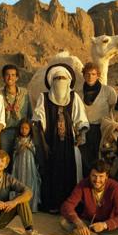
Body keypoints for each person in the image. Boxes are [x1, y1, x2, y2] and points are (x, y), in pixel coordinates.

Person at [33, 63, 89, 213]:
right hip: (50, 142)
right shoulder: (43, 97)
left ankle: (70, 206)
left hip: (70, 143)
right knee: (52, 172)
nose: (60, 81)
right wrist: (39, 127)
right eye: (57, 78)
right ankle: (53, 205)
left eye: (63, 78)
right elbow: (39, 118)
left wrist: (81, 132)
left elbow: (80, 118)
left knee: (71, 172)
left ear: (69, 80)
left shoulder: (74, 97)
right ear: (52, 80)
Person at [60, 159, 118, 235]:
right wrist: (78, 222)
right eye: (94, 176)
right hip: (88, 224)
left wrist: (104, 225)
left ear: (107, 176)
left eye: (101, 176)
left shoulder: (115, 187)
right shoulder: (83, 184)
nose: (97, 180)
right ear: (90, 175)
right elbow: (67, 206)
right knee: (63, 222)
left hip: (105, 227)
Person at [80, 62, 117, 176]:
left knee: (101, 159)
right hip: (84, 130)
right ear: (83, 75)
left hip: (101, 130)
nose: (90, 77)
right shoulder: (78, 92)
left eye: (93, 74)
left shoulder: (108, 91)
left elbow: (114, 111)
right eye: (87, 74)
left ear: (98, 75)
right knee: (85, 161)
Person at [0, 64, 32, 160]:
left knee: (20, 159)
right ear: (3, 77)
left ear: (17, 77)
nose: (10, 77)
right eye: (7, 75)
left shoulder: (24, 93)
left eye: (13, 75)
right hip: (5, 132)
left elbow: (30, 113)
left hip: (21, 132)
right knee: (4, 158)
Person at [11, 119, 41, 212]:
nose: (24, 130)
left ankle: (31, 205)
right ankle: (18, 205)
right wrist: (21, 147)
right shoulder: (17, 139)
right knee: (19, 181)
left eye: (26, 128)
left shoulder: (32, 140)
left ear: (30, 129)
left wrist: (29, 146)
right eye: (22, 128)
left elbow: (36, 152)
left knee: (30, 181)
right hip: (19, 164)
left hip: (29, 164)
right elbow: (15, 151)